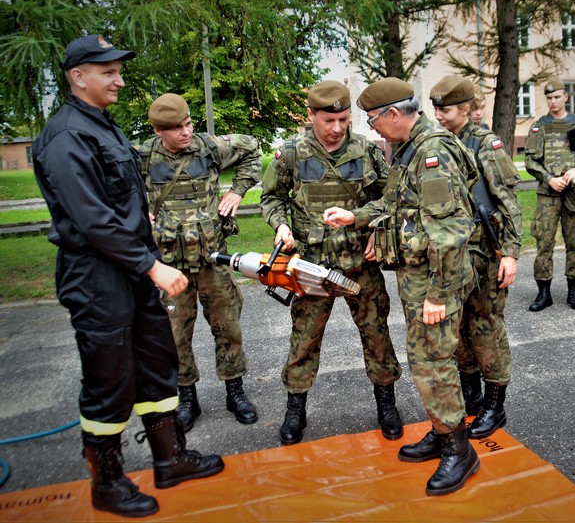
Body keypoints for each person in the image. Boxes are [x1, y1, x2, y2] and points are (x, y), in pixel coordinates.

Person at [32, 35, 223, 518]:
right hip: (98, 277)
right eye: (108, 72)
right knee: (109, 381)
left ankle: (170, 459)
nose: (119, 79)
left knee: (157, 365)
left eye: (119, 69)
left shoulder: (102, 126)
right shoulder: (66, 136)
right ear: (79, 77)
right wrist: (153, 265)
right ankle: (108, 482)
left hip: (131, 270)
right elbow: (91, 220)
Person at [323, 77, 480, 496]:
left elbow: (450, 231)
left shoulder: (432, 153)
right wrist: (354, 216)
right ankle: (442, 429)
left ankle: (458, 448)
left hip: (434, 282)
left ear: (394, 113)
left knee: (434, 363)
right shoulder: (409, 150)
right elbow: (395, 205)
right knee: (426, 362)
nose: (371, 128)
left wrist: (438, 294)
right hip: (418, 279)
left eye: (373, 120)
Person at [260, 80, 403, 445]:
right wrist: (281, 226)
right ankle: (296, 409)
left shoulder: (366, 152)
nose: (337, 128)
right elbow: (272, 198)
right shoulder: (291, 153)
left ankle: (386, 403)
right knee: (304, 340)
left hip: (360, 264)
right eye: (329, 120)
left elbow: (389, 198)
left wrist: (375, 227)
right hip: (312, 267)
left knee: (377, 335)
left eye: (343, 119)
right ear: (311, 116)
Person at [139, 93, 262, 432]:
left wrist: (237, 191)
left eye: (188, 123)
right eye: (176, 128)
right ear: (158, 130)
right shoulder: (144, 157)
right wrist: (138, 208)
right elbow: (118, 187)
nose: (186, 132)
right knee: (175, 333)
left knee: (228, 326)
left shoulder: (209, 148)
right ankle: (187, 398)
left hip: (212, 257)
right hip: (169, 263)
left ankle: (234, 392)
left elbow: (253, 149)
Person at [429, 75, 522, 438]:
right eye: (435, 108)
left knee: (486, 328)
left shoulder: (485, 144)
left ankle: (495, 404)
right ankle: (471, 396)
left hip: (486, 253)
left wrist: (510, 254)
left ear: (467, 109)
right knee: (460, 330)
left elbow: (509, 202)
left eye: (446, 109)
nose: (439, 116)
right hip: (456, 256)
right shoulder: (439, 143)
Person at [524, 78, 575, 312]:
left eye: (557, 97)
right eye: (549, 98)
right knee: (544, 243)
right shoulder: (539, 127)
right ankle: (544, 293)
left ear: (566, 97)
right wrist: (549, 178)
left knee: (574, 242)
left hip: (573, 194)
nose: (553, 101)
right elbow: (530, 160)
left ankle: (573, 291)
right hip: (548, 194)